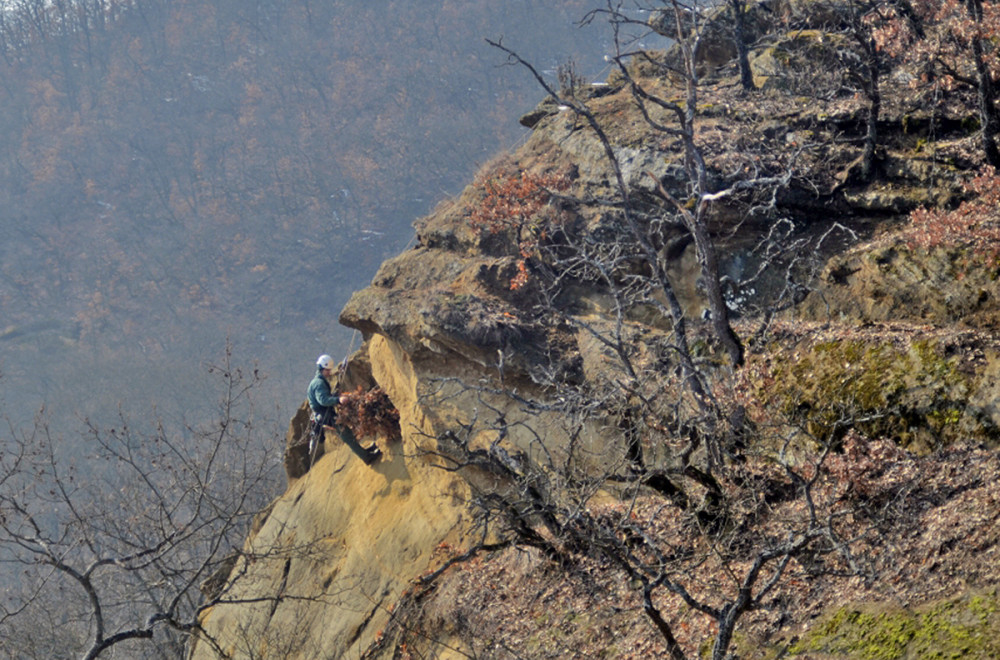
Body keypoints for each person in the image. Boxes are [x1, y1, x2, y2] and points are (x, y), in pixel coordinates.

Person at [307, 354, 382, 466]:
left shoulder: (317, 381)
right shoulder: (319, 383)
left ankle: (365, 452)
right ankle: (367, 458)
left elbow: (323, 398)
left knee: (347, 433)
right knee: (346, 434)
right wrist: (338, 399)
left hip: (323, 413)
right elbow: (323, 400)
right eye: (328, 370)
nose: (329, 373)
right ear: (323, 369)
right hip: (325, 414)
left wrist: (334, 396)